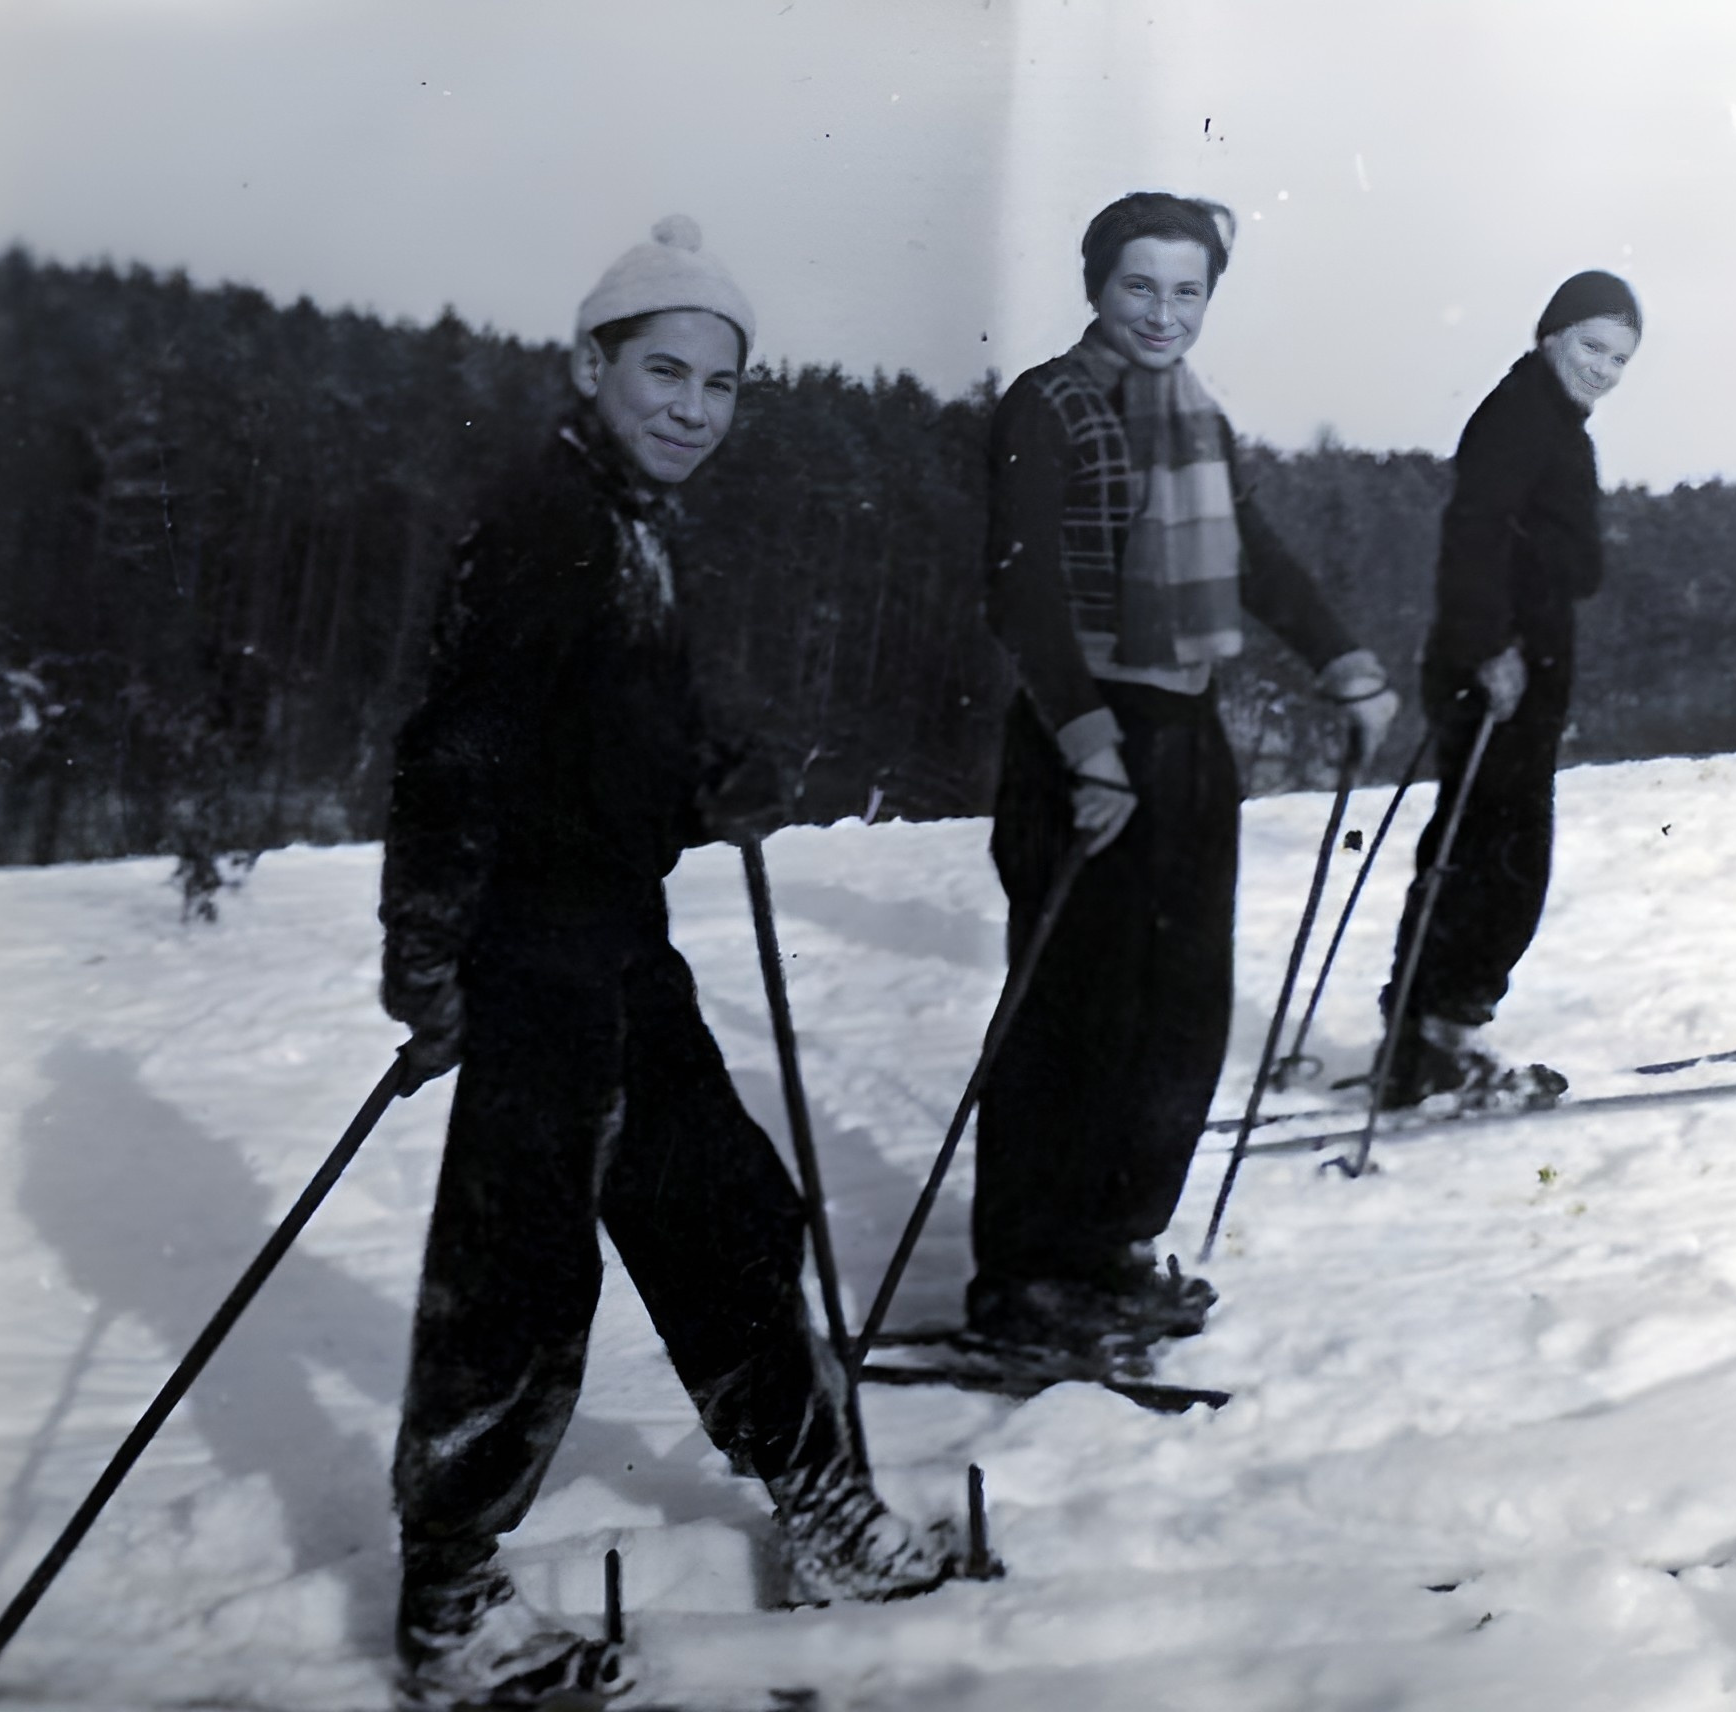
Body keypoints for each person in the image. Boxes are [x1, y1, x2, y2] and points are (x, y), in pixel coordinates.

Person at [378, 217, 954, 1708]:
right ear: (591, 363)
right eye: (665, 371)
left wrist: (712, 776)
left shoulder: (630, 518)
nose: (695, 406)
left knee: (725, 1214)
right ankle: (449, 1610)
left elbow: (614, 731)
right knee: (514, 1280)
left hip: (618, 942)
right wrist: (430, 962)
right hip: (531, 954)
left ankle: (819, 1505)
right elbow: (456, 756)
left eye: (721, 382)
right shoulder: (540, 522)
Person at [975, 191, 1399, 1367]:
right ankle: (1023, 1276)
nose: (1163, 313)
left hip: (1186, 738)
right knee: (1069, 1018)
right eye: (1137, 286)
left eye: (1186, 290)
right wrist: (1087, 746)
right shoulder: (1045, 405)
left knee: (1174, 1015)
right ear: (1095, 285)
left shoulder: (1196, 415)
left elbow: (1254, 558)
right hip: (1085, 744)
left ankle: (1109, 1244)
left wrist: (1345, 665)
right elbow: (1023, 595)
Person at [1377, 271, 1643, 1108]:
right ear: (1549, 335)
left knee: (1491, 852)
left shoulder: (1551, 418)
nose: (1603, 368)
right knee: (1494, 857)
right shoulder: (1524, 415)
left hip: (1522, 663)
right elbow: (1474, 531)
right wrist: (1489, 646)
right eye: (1591, 347)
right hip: (1500, 666)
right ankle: (1433, 1040)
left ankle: (1429, 1037)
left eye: (1620, 358)